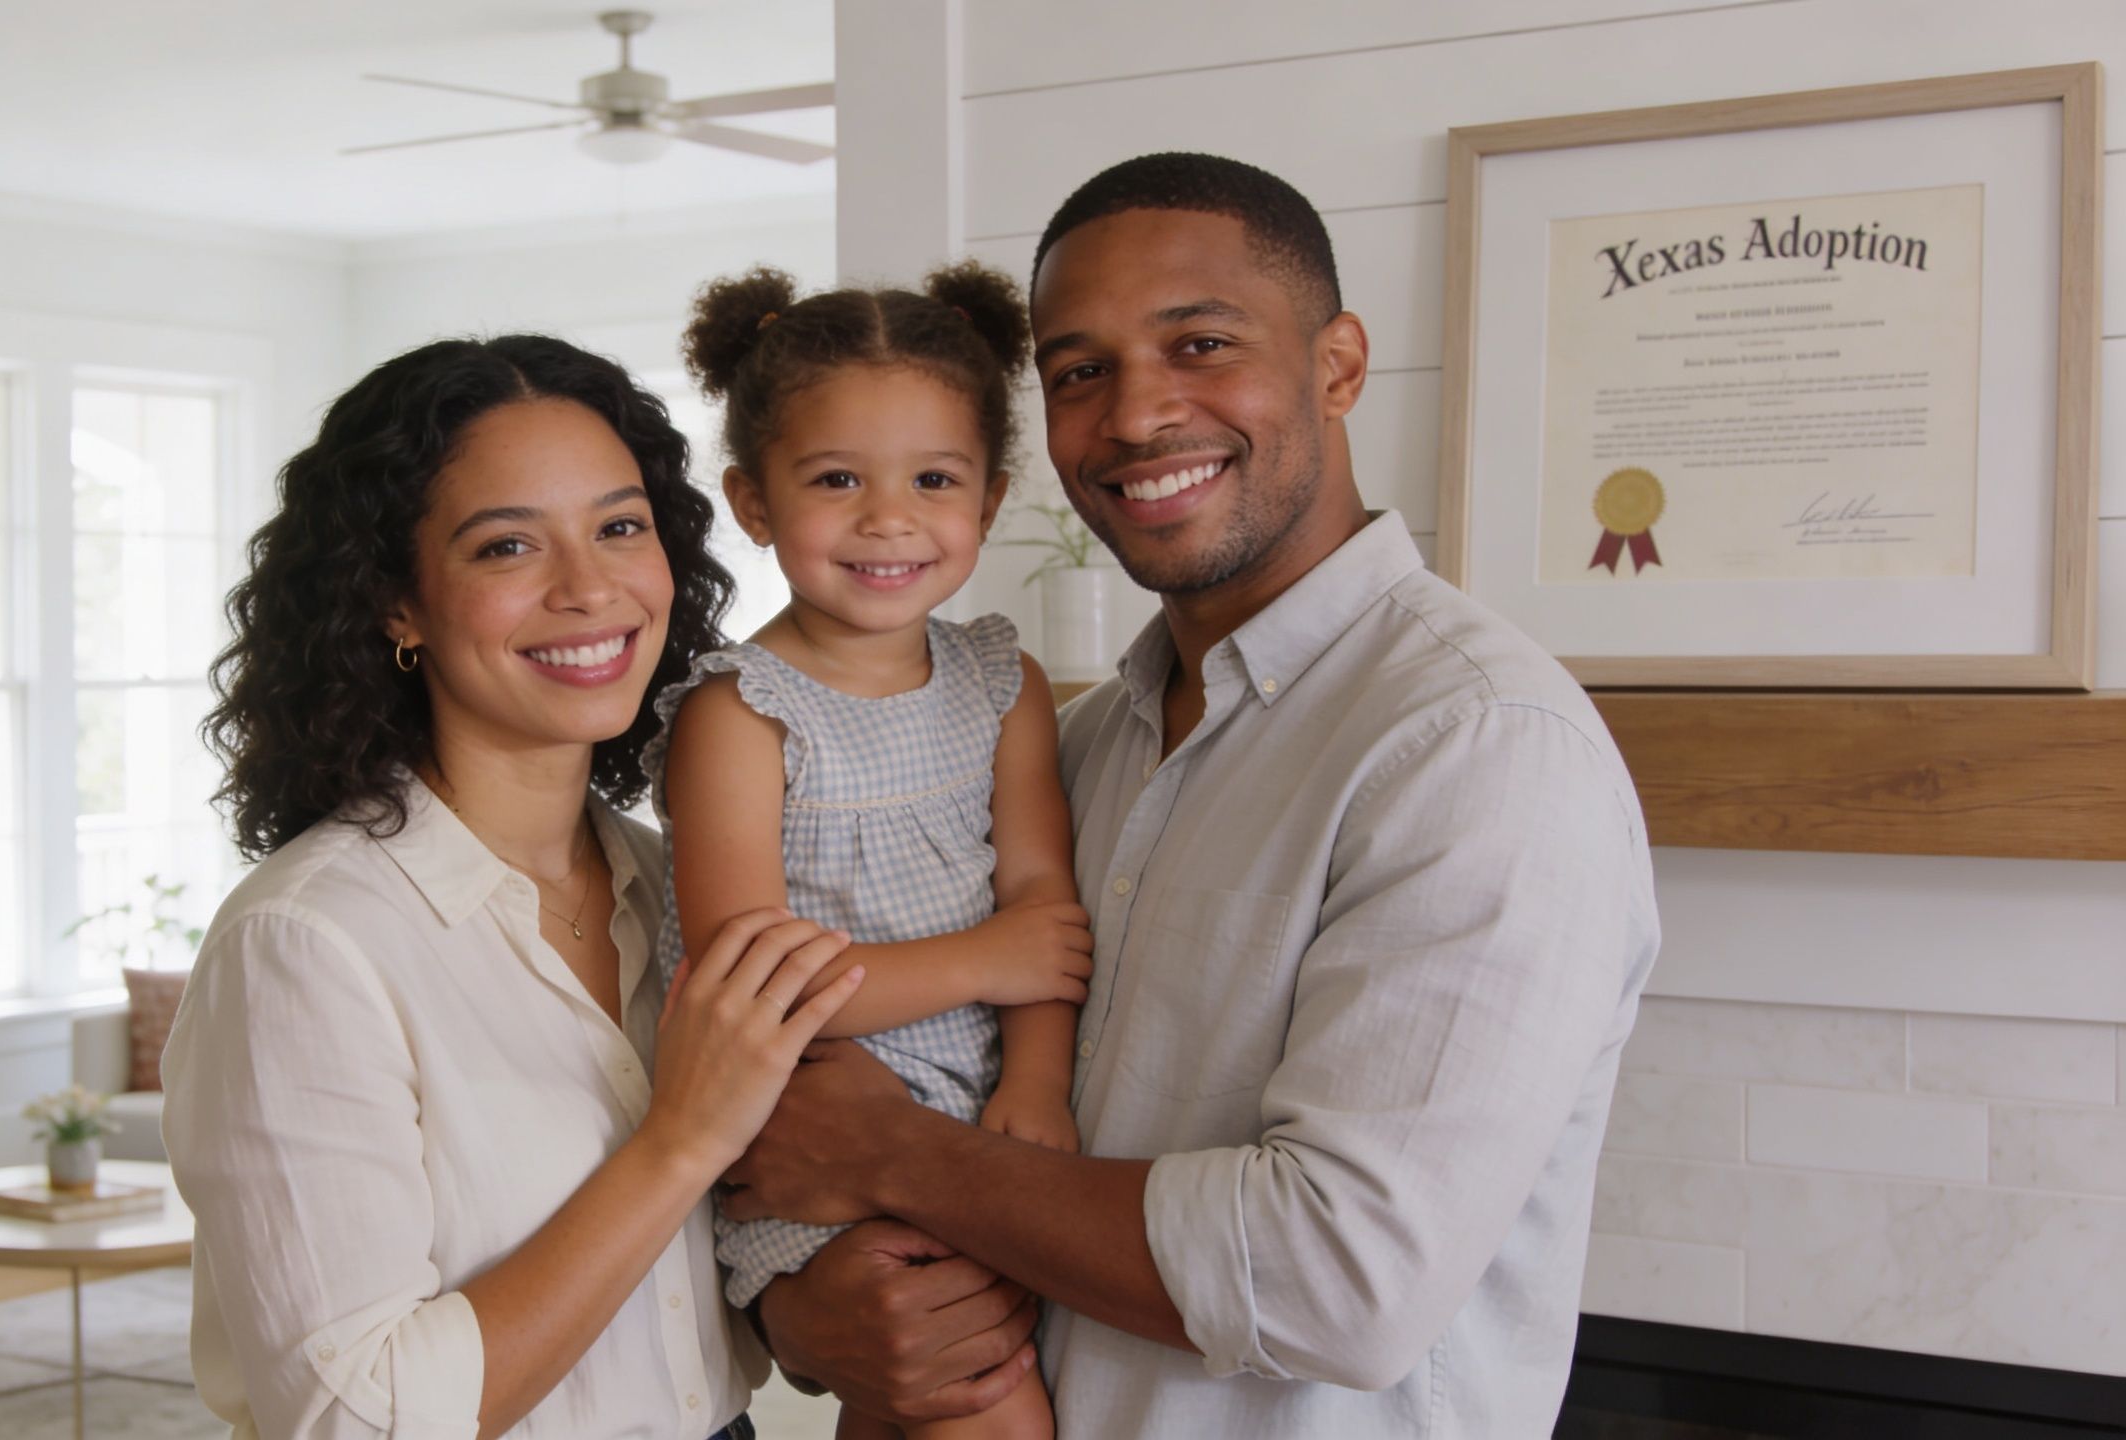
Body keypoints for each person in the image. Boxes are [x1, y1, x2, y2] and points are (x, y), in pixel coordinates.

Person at [726, 153, 1664, 1438]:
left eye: (1201, 343)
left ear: (1336, 365)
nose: (1132, 416)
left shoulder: (1476, 746)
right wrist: (803, 1314)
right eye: (1078, 372)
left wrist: (895, 1160)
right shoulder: (1081, 741)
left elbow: (1339, 1285)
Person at [161, 334, 870, 1440]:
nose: (590, 589)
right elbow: (358, 1421)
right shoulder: (307, 944)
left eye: (619, 527)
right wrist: (679, 1140)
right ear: (397, 603)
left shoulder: (673, 883)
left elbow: (713, 1295)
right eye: (505, 547)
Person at [647, 262, 1094, 1440]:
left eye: (933, 480)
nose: (889, 519)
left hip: (981, 1122)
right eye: (836, 479)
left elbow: (1048, 916)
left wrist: (1039, 1081)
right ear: (752, 502)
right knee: (980, 1404)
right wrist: (985, 962)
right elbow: (754, 989)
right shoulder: (738, 717)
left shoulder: (1003, 686)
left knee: (926, 1406)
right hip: (817, 1138)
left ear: (989, 500)